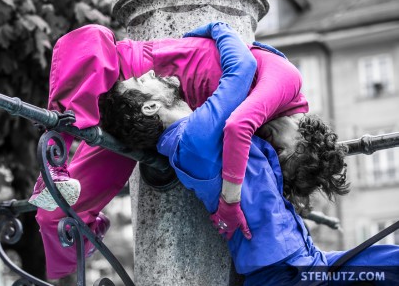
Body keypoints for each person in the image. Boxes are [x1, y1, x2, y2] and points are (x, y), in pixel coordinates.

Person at [29, 22, 340, 279]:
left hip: (143, 120)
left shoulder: (265, 126)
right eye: (284, 150)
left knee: (58, 210)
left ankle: (77, 247)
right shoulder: (287, 82)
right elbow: (237, 125)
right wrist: (228, 204)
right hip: (131, 77)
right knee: (91, 41)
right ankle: (53, 162)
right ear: (305, 133)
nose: (273, 144)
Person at [100, 23, 399, 284]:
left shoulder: (195, 135)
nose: (151, 72)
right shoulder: (195, 137)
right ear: (150, 106)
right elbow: (241, 69)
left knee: (388, 262)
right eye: (142, 81)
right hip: (284, 273)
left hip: (306, 262)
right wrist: (217, 27)